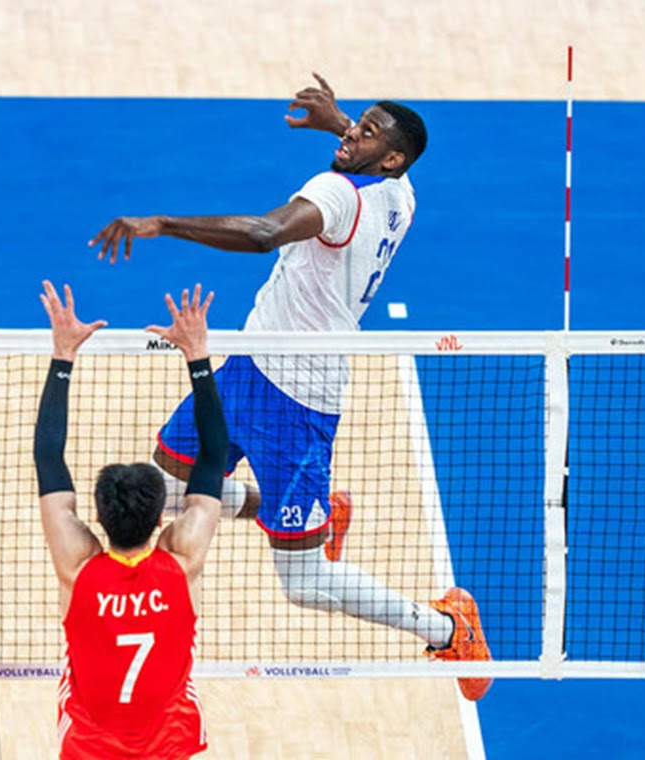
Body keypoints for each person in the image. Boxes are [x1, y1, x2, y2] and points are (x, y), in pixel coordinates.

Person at [90, 72, 492, 701]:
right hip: (250, 366)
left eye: (367, 132)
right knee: (166, 486)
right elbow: (383, 155)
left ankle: (447, 627)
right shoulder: (401, 194)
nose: (352, 134)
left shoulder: (336, 195)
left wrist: (162, 224)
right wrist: (338, 123)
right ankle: (293, 510)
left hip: (301, 401)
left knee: (302, 584)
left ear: (389, 157)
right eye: (357, 123)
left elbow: (263, 233)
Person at [34, 280, 226, 759]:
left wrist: (63, 356)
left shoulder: (77, 569)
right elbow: (215, 454)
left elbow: (47, 459)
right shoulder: (182, 561)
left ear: (96, 516)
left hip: (90, 744)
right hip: (170, 741)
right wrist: (197, 356)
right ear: (163, 517)